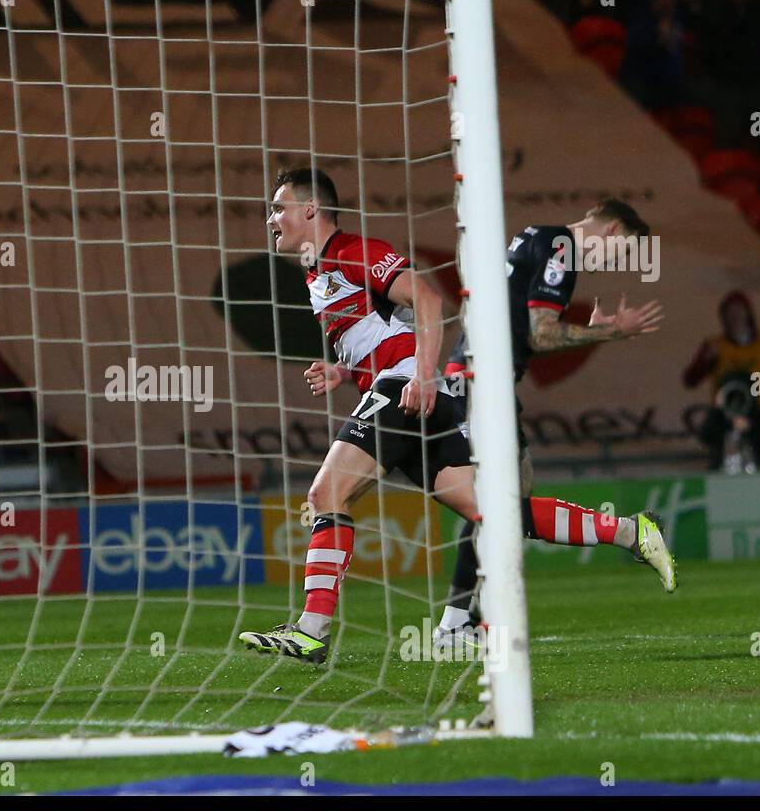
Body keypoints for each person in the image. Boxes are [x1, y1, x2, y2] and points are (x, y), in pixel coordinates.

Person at [236, 172, 677, 665]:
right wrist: (346, 370)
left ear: (312, 211)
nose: (272, 218)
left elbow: (428, 301)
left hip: (410, 390)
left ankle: (311, 630)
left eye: (279, 208)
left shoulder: (351, 250)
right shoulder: (319, 271)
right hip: (422, 391)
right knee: (495, 512)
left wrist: (422, 375)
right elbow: (389, 330)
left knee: (326, 493)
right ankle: (628, 531)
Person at [437, 200, 676, 643]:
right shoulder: (562, 248)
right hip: (481, 382)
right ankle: (459, 621)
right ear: (614, 228)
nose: (615, 263)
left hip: (475, 377)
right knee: (501, 506)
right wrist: (611, 332)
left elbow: (526, 329)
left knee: (511, 500)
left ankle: (464, 617)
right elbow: (542, 333)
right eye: (622, 252)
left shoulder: (536, 234)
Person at [684, 290, 760, 470]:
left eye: (739, 311)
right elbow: (690, 379)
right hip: (725, 414)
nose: (735, 317)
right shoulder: (715, 345)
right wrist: (706, 360)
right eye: (730, 313)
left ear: (748, 314)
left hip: (758, 414)